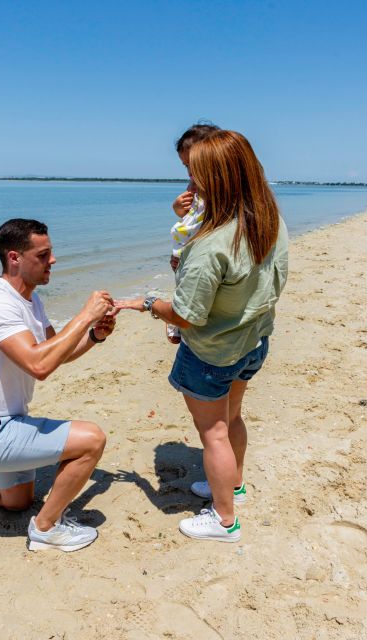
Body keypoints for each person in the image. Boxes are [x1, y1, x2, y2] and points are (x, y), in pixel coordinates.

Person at [115, 130, 289, 543]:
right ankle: (234, 487)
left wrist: (147, 303)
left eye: (195, 176)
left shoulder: (213, 243)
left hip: (213, 351)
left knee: (213, 434)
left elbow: (187, 315)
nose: (189, 185)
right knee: (231, 420)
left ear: (220, 178)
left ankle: (224, 520)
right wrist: (183, 220)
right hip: (252, 340)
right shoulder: (268, 219)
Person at [0, 218, 116, 552]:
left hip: (6, 423)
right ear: (14, 258)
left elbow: (58, 353)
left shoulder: (31, 300)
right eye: (43, 254)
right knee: (92, 440)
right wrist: (83, 315)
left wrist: (95, 335)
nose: (52, 260)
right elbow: (40, 365)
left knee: (17, 501)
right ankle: (45, 529)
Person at [167, 123, 220, 344]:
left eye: (192, 164)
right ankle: (178, 324)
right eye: (185, 165)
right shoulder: (194, 186)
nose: (189, 171)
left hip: (199, 254)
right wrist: (178, 209)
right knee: (181, 284)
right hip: (186, 249)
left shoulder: (219, 190)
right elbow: (191, 218)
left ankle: (178, 321)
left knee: (191, 288)